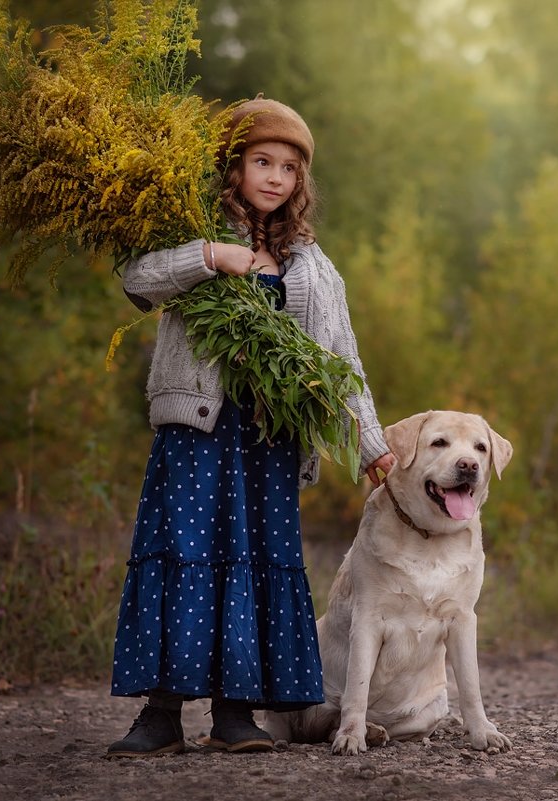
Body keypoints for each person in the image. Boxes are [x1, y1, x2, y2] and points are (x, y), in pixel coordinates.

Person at [106, 96, 397, 758]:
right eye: (260, 161)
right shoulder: (194, 231)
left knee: (252, 559)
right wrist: (211, 255)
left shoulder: (312, 266)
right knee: (188, 554)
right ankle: (160, 715)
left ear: (301, 182)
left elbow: (338, 362)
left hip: (269, 439)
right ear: (232, 167)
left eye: (288, 168)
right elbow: (138, 278)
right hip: (200, 431)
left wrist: (371, 445)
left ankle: (236, 713)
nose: (274, 177)